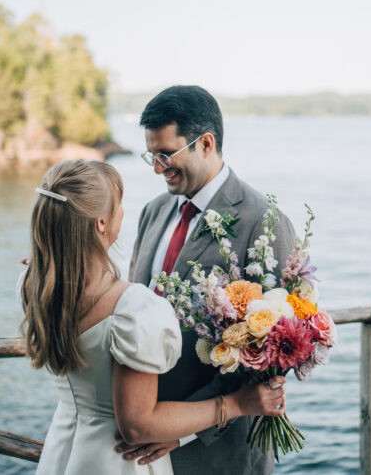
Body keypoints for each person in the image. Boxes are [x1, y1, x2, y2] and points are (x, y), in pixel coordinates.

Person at [21, 159, 287, 475]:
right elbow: (137, 426)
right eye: (117, 205)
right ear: (101, 224)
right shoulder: (131, 308)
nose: (123, 211)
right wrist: (238, 404)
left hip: (64, 450)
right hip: (120, 461)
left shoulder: (32, 284)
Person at [123, 86, 296, 475]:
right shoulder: (153, 211)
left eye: (165, 154)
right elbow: (134, 302)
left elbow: (270, 357)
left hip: (218, 449)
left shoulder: (264, 223)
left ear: (205, 143)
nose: (156, 167)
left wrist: (184, 430)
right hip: (143, 439)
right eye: (151, 155)